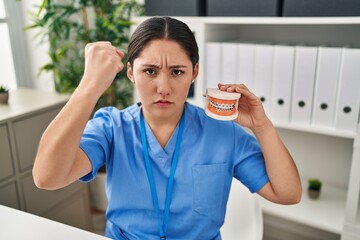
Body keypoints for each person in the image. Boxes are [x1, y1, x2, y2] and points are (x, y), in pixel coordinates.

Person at [33, 16, 302, 239]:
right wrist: (90, 86)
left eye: (177, 72)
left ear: (194, 73)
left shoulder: (223, 131)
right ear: (130, 72)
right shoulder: (111, 127)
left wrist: (262, 125)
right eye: (149, 71)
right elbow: (47, 177)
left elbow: (288, 194)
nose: (163, 88)